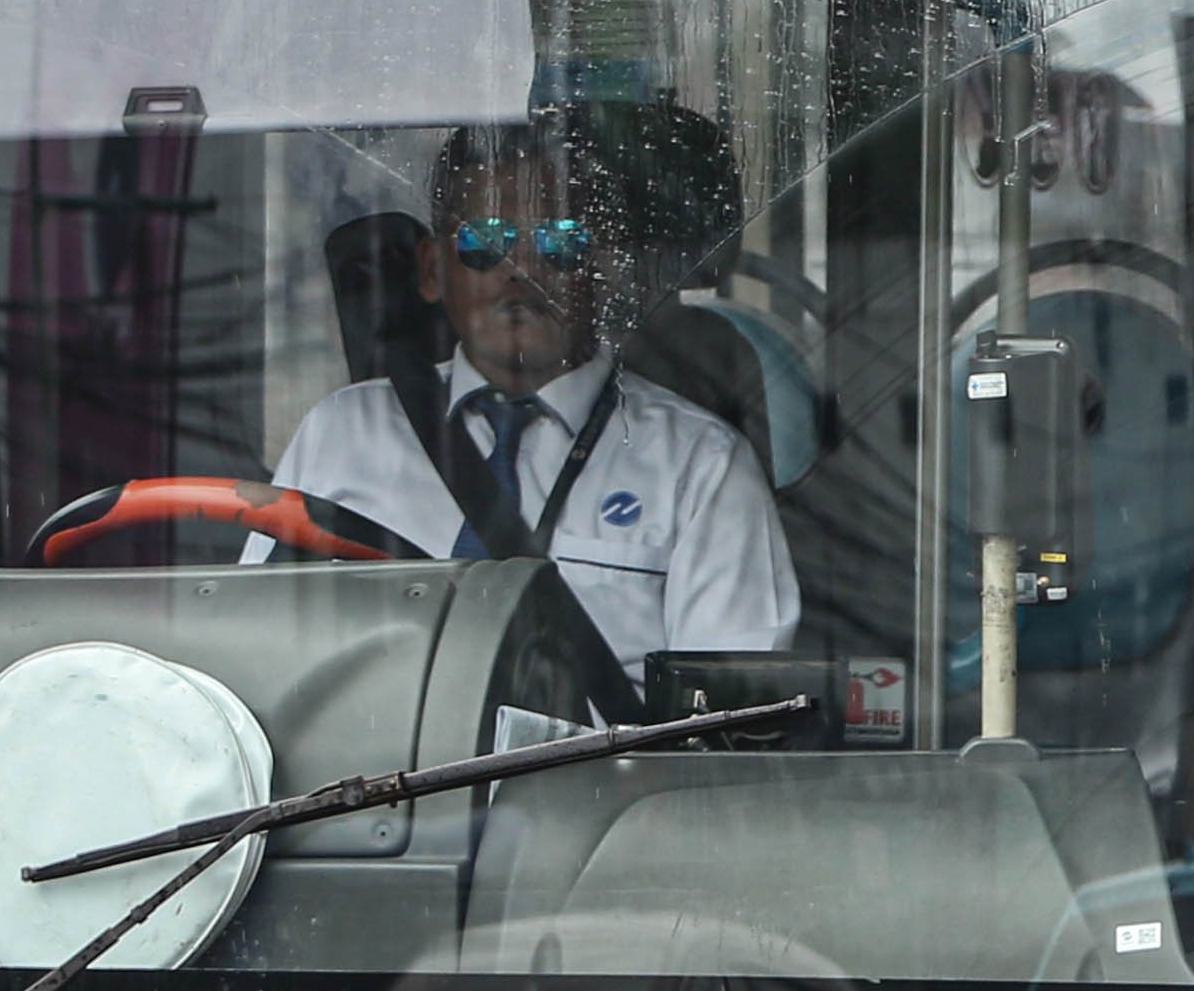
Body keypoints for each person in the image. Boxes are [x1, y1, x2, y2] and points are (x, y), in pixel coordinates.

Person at [267, 119, 797, 676]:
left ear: (606, 267)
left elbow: (723, 712)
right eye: (483, 242)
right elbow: (258, 641)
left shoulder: (701, 465)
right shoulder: (343, 434)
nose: (519, 271)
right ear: (431, 270)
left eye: (560, 241)